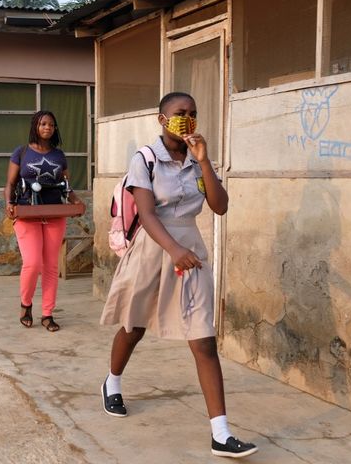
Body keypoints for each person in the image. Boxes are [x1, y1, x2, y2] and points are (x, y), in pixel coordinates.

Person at [99, 92, 258, 458]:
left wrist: (204, 162)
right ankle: (113, 381)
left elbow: (220, 206)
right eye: (178, 113)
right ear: (161, 119)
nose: (186, 119)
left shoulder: (197, 157)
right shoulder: (146, 158)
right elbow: (147, 212)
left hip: (191, 249)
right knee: (133, 326)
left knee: (203, 340)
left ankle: (221, 433)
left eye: (192, 113)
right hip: (154, 249)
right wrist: (174, 250)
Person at [4, 110, 83, 332]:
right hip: (27, 214)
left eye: (51, 124)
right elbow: (10, 183)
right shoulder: (21, 152)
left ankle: (47, 314)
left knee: (51, 266)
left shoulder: (59, 156)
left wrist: (78, 202)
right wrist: (9, 203)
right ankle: (26, 304)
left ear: (55, 129)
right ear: (35, 127)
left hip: (54, 213)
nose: (47, 127)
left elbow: (66, 188)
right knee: (32, 263)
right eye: (43, 124)